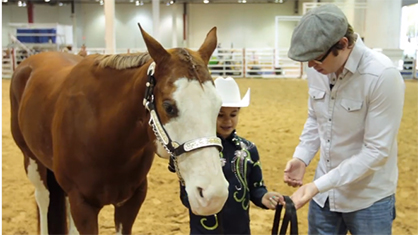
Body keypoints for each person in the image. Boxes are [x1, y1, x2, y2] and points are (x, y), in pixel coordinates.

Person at [283, 4, 405, 235]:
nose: (310, 65)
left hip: (368, 200)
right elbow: (315, 117)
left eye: (316, 58)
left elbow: (377, 152)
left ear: (343, 44)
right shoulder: (319, 66)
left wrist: (317, 186)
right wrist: (302, 156)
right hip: (324, 198)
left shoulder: (382, 76)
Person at [178, 76, 285, 234]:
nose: (227, 121)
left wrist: (264, 197)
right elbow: (186, 195)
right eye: (220, 115)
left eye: (233, 114)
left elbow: (256, 188)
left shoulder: (248, 149)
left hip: (239, 229)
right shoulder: (196, 152)